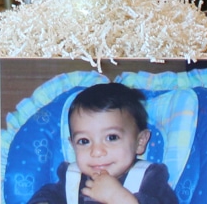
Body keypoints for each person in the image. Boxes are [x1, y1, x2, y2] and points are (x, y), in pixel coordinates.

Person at [25, 82, 179, 204]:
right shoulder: (72, 179)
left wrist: (119, 198)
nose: (97, 151)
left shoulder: (150, 179)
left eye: (111, 137)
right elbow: (46, 195)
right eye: (84, 141)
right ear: (73, 146)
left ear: (140, 142)